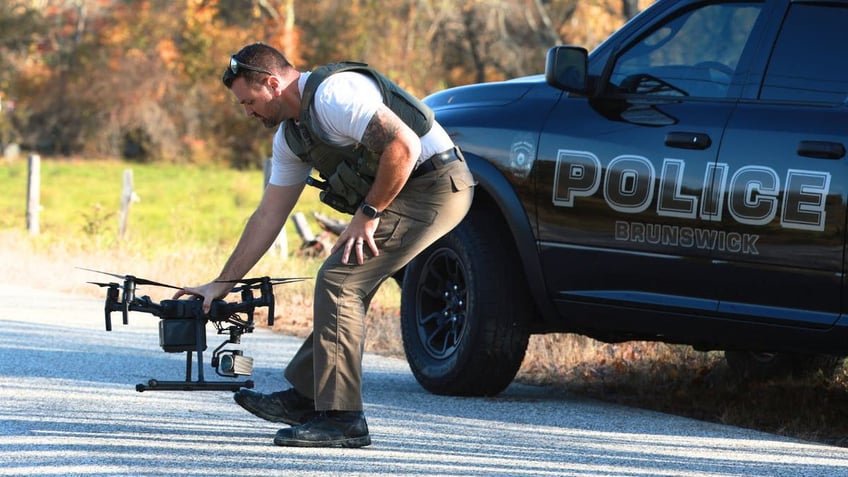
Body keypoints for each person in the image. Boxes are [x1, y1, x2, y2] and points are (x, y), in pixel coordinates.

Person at [174, 42, 474, 448]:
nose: (247, 112)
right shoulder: (293, 136)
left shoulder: (334, 95)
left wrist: (367, 215)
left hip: (437, 183)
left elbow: (404, 147)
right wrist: (220, 284)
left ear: (272, 82)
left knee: (340, 280)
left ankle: (343, 420)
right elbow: (267, 217)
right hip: (406, 189)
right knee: (342, 279)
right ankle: (307, 397)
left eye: (249, 101)